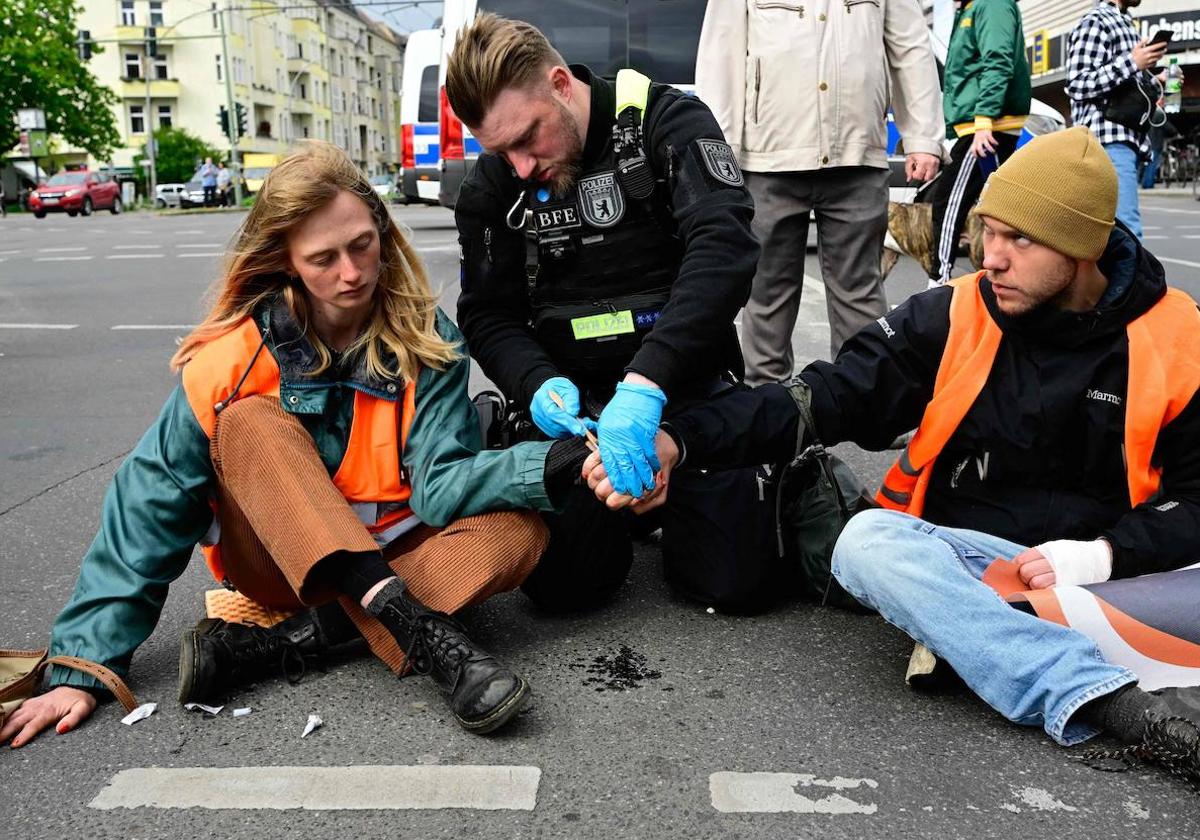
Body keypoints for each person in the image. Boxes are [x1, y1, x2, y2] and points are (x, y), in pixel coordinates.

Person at [585, 127, 1200, 777]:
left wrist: (1103, 556)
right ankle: (1104, 698)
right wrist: (680, 440)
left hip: (1108, 578)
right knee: (864, 543)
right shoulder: (951, 315)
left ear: (1083, 249)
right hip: (968, 567)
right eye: (987, 231)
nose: (990, 258)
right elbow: (817, 399)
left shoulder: (1177, 338)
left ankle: (977, 644)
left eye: (1020, 239)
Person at [0, 141, 595, 749]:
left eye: (363, 244)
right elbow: (148, 503)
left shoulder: (426, 338)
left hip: (401, 552)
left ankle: (285, 644)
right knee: (250, 423)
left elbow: (441, 485)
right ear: (286, 260)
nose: (352, 272)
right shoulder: (233, 355)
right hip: (282, 566)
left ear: (382, 231)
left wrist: (551, 461)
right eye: (323, 258)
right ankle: (413, 627)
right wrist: (82, 669)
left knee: (520, 532)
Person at [449, 14, 781, 613]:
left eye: (528, 138)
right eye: (501, 151)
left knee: (735, 583)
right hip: (575, 413)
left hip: (678, 390)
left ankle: (728, 480)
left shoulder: (665, 121)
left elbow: (724, 247)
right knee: (565, 590)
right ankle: (612, 505)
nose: (521, 166)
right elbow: (486, 315)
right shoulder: (495, 184)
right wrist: (536, 383)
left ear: (559, 83)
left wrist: (650, 385)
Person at [696, 0, 945, 370]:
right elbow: (722, 54)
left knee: (860, 296)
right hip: (769, 157)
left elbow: (910, 47)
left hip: (857, 154)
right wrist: (721, 150)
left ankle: (861, 412)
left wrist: (924, 137)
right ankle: (767, 412)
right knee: (766, 298)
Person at [927, 0, 1030, 288]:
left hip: (986, 127)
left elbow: (997, 59)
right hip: (982, 125)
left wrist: (984, 119)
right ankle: (1013, 279)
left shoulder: (991, 3)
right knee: (1002, 209)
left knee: (949, 202)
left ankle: (939, 281)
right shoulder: (973, 8)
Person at [1067, 0, 1170, 240]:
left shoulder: (1126, 23)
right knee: (1127, 233)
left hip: (1125, 139)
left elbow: (1127, 89)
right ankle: (1135, 279)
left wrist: (1156, 81)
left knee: (1106, 234)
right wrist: (1133, 62)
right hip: (1108, 141)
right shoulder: (1096, 21)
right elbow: (1078, 83)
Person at [1141, 114, 1178, 189]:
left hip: (1148, 143)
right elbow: (1168, 127)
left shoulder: (1148, 114)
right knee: (1152, 164)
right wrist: (1176, 132)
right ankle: (1148, 184)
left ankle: (1145, 183)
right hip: (1155, 143)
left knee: (1148, 164)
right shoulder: (1159, 115)